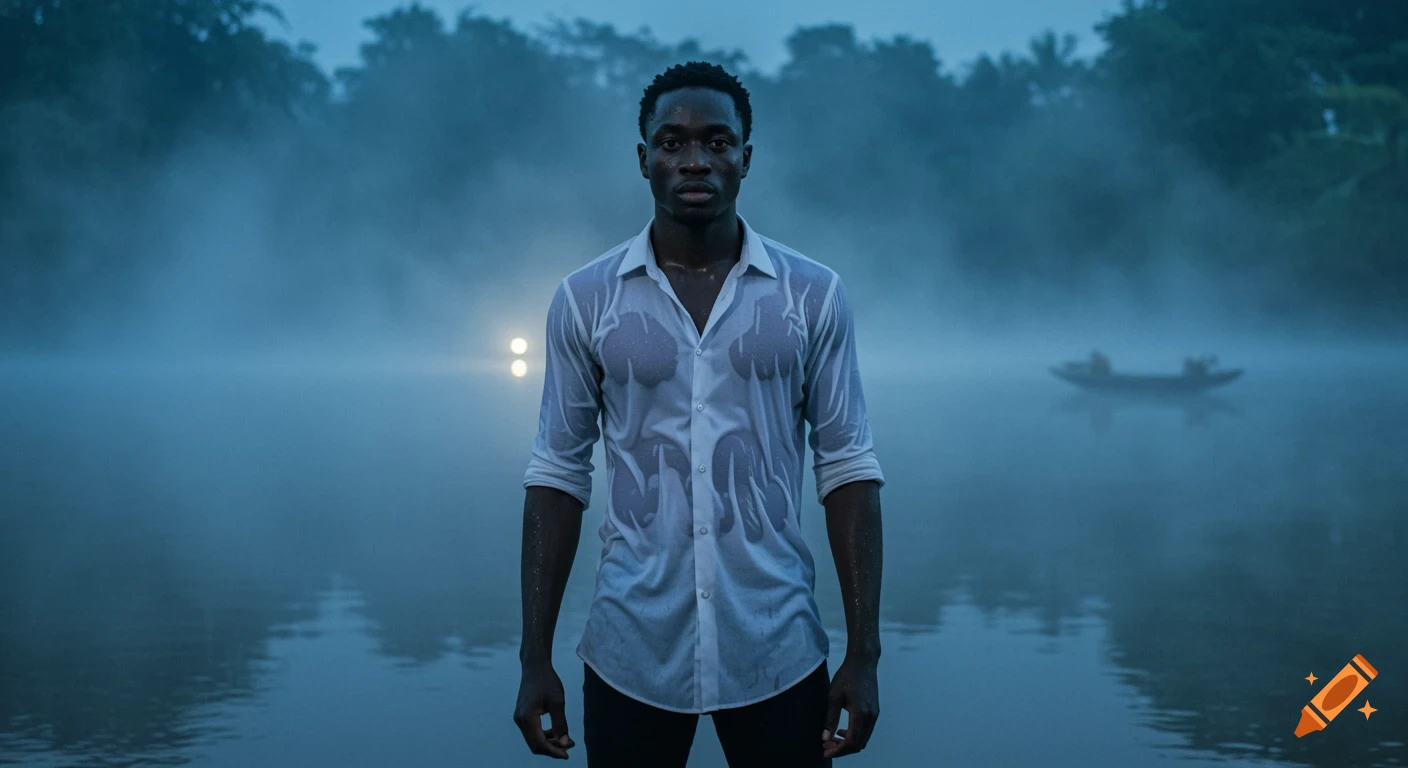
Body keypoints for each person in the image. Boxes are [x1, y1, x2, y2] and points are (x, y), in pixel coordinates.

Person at [513, 61, 886, 767]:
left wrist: (864, 655)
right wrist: (535, 659)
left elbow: (848, 469)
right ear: (643, 159)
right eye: (672, 141)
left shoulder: (813, 295)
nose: (694, 159)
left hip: (777, 645)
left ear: (746, 158)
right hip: (632, 648)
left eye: (717, 142)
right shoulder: (586, 299)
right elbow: (557, 475)